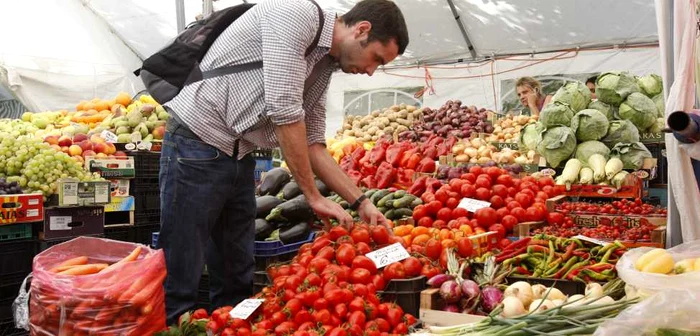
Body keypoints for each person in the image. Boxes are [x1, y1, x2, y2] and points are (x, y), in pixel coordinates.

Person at [157, 0, 409, 325]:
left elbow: (314, 142)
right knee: (182, 266)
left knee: (237, 271)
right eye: (376, 58)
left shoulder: (323, 63)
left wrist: (360, 202)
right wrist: (313, 196)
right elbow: (285, 111)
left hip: (239, 152)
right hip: (195, 143)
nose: (372, 71)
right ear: (362, 30)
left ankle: (231, 329)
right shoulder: (295, 15)